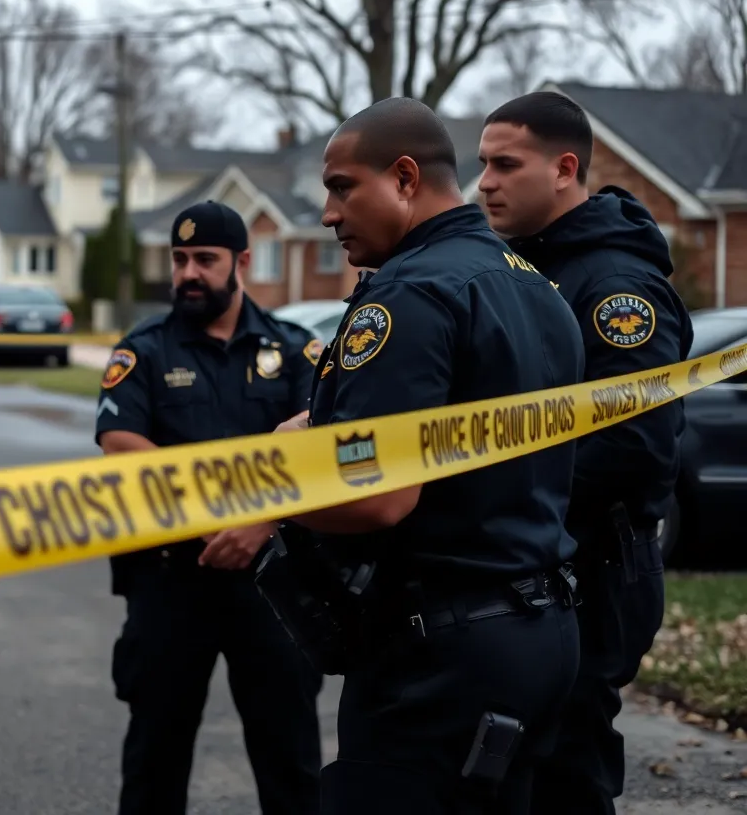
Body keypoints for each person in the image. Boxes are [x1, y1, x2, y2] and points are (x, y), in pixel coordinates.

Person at [266, 96, 586, 814]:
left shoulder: (411, 295)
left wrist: (274, 478)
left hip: (441, 656)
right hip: (539, 631)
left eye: (343, 187)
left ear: (405, 178)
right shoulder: (535, 286)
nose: (329, 213)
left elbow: (378, 494)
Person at [477, 92, 693, 815]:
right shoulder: (524, 267)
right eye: (483, 164)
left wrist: (500, 487)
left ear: (565, 169)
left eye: (506, 165)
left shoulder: (614, 286)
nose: (486, 183)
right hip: (539, 560)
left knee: (566, 767)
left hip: (594, 567)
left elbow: (634, 445)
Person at [94, 199, 325, 815]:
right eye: (179, 259)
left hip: (272, 585)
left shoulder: (295, 350)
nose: (188, 273)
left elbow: (317, 450)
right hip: (171, 580)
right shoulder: (142, 351)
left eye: (204, 259)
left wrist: (262, 524)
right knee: (155, 760)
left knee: (291, 761)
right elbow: (122, 447)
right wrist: (224, 521)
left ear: (242, 262)